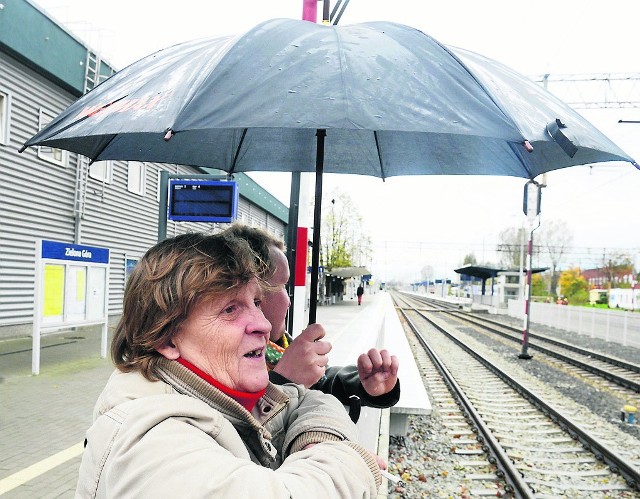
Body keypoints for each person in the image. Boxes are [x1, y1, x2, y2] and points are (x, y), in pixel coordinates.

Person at [76, 233, 381, 497]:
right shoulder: (147, 443)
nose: (262, 324)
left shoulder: (226, 393)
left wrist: (316, 441)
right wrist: (351, 462)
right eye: (230, 309)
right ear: (166, 339)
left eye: (257, 303)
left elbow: (309, 400)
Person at [221, 223, 400, 417]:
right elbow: (239, 428)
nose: (288, 301)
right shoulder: (222, 363)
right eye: (281, 286)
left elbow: (321, 382)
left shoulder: (278, 349)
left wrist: (360, 383)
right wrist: (285, 380)